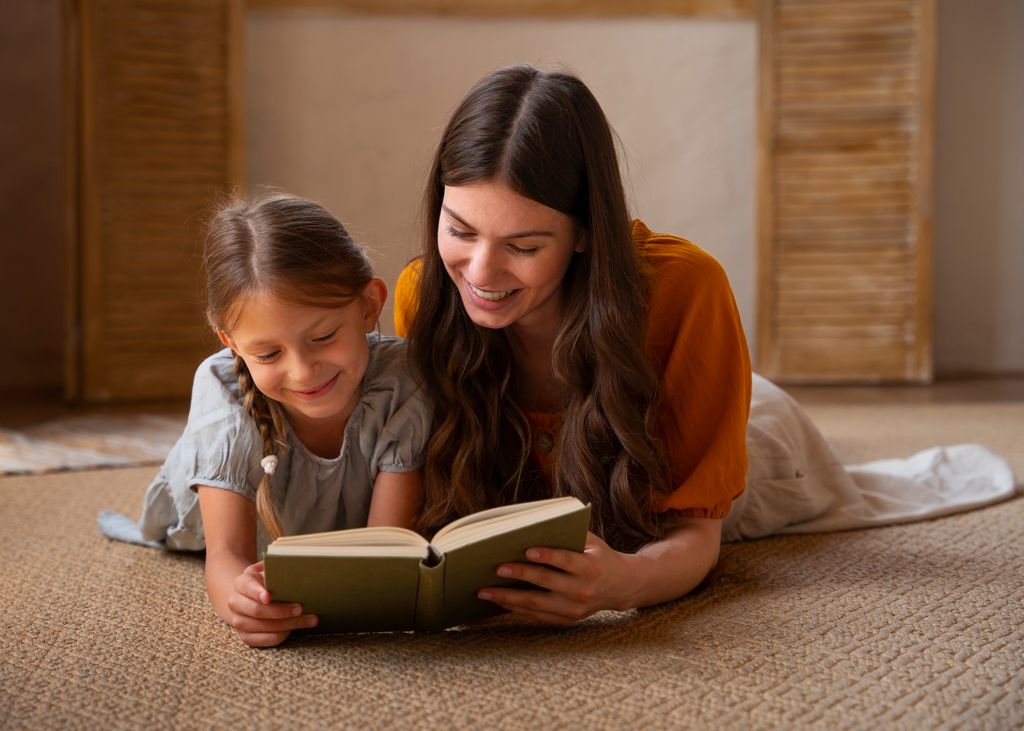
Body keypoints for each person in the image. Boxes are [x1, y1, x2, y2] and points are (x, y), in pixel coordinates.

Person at [394, 64, 1016, 627]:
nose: (479, 271)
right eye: (460, 230)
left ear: (584, 234)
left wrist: (623, 583)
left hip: (753, 437)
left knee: (787, 452)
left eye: (524, 247)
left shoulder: (687, 289)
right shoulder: (423, 296)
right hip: (633, 431)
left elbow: (698, 533)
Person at [100, 192, 431, 646]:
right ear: (231, 342)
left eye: (324, 336)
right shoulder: (224, 391)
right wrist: (242, 604)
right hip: (208, 521)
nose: (302, 371)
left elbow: (383, 549)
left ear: (369, 305)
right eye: (269, 353)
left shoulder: (402, 381)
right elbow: (226, 557)